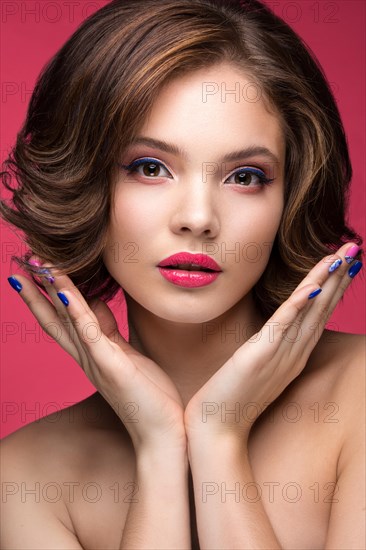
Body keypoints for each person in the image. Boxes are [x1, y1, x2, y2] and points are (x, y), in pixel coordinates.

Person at [1, 0, 364, 548]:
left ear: (292, 195)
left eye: (245, 176)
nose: (198, 218)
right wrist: (159, 448)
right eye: (150, 168)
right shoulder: (25, 478)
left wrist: (220, 437)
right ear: (86, 183)